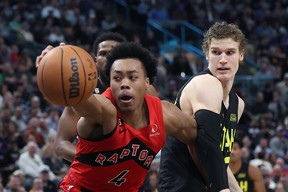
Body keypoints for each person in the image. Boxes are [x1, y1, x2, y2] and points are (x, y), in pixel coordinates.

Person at [37, 42, 198, 191]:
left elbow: (196, 136)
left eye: (132, 77)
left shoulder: (162, 112)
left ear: (146, 81)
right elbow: (78, 100)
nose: (124, 83)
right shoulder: (102, 108)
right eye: (117, 78)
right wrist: (57, 68)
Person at [159, 21, 247, 192]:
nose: (223, 60)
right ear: (206, 54)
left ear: (241, 55)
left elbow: (219, 161)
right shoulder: (206, 83)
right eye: (216, 52)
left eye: (230, 53)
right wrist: (222, 189)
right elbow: (207, 143)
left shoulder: (237, 104)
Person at [36, 32, 127, 163]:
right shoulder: (81, 91)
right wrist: (96, 161)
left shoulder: (140, 89)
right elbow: (60, 145)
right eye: (102, 54)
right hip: (90, 174)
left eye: (115, 52)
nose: (108, 57)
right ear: (95, 61)